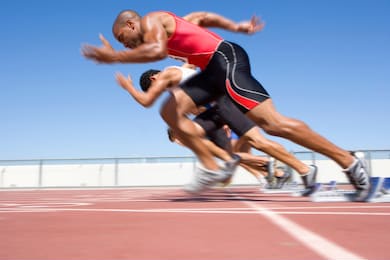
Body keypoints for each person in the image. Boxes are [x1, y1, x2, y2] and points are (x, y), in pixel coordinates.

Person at [82, 10, 370, 201]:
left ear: (132, 24)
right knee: (169, 112)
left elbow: (155, 50)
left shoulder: (153, 21)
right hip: (211, 72)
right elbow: (202, 17)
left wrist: (116, 58)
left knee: (273, 124)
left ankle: (347, 160)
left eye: (124, 39)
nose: (126, 46)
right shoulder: (170, 26)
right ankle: (211, 166)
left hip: (226, 60)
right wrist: (236, 26)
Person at [117, 65, 309, 193]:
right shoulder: (176, 89)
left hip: (225, 105)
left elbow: (146, 101)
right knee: (186, 135)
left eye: (153, 89)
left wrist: (129, 88)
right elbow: (193, 74)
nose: (157, 93)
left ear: (154, 78)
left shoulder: (170, 72)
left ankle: (302, 169)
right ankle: (234, 162)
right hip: (213, 115)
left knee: (259, 142)